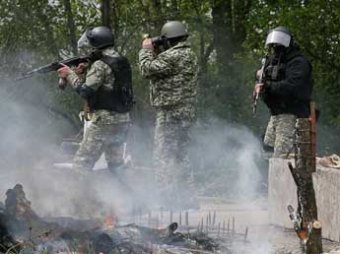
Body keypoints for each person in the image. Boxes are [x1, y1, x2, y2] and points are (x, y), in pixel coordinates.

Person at [57, 26, 133, 175]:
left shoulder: (100, 65)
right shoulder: (122, 60)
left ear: (96, 44)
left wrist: (70, 74)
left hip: (104, 122)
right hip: (123, 119)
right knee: (116, 165)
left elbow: (85, 91)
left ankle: (80, 197)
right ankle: (124, 196)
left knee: (81, 164)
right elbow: (108, 86)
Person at [139, 21, 198, 209]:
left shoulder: (172, 55)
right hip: (186, 111)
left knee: (163, 156)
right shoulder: (189, 54)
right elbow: (165, 71)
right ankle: (188, 200)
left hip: (170, 112)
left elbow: (146, 69)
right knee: (181, 156)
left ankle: (166, 201)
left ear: (168, 39)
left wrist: (146, 50)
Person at [254, 26, 313, 158]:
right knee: (267, 149)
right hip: (276, 114)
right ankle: (268, 178)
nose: (276, 47)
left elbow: (293, 87)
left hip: (293, 114)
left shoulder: (298, 62)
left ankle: (284, 178)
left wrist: (267, 86)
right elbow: (265, 80)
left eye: (279, 44)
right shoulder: (274, 62)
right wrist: (259, 79)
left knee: (283, 155)